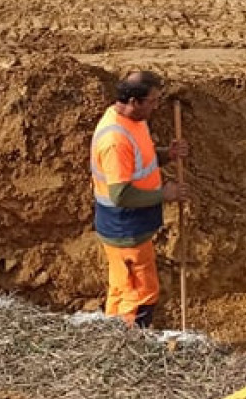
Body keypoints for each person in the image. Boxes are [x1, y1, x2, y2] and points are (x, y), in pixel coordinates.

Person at [89, 70, 188, 328]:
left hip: (131, 227)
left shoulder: (134, 121)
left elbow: (141, 159)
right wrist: (164, 195)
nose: (156, 106)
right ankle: (131, 347)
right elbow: (120, 194)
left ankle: (112, 334)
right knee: (140, 295)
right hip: (125, 230)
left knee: (122, 289)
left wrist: (168, 154)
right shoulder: (115, 140)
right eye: (152, 101)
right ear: (134, 101)